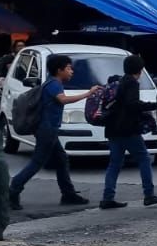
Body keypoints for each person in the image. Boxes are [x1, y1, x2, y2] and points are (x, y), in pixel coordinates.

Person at [8, 54, 99, 210]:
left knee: (61, 159)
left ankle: (68, 194)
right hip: (47, 129)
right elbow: (63, 100)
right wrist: (88, 93)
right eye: (69, 68)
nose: (72, 71)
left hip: (47, 128)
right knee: (37, 162)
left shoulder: (51, 82)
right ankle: (14, 189)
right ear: (59, 70)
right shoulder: (54, 84)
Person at [100, 54, 157, 210]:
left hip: (113, 128)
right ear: (140, 70)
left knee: (114, 163)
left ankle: (107, 197)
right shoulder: (132, 83)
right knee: (144, 159)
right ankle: (149, 195)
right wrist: (153, 105)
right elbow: (132, 104)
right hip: (128, 129)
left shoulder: (119, 81)